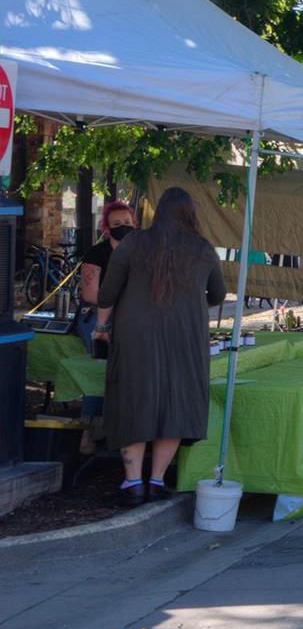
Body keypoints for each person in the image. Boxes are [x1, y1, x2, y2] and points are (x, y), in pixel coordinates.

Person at [98, 187, 226, 506]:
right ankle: (156, 480)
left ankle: (132, 484)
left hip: (134, 336)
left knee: (133, 400)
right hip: (186, 337)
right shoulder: (203, 249)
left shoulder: (132, 244)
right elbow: (218, 295)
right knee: (176, 403)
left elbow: (106, 295)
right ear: (190, 213)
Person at [81, 198, 137, 356]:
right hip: (98, 316)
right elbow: (90, 294)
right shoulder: (96, 253)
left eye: (127, 222)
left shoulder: (142, 253)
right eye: (117, 224)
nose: (124, 227)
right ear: (107, 228)